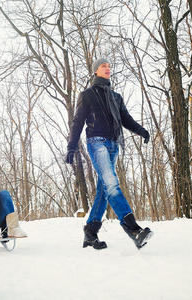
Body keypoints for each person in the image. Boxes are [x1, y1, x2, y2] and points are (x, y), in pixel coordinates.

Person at [65, 58, 153, 250]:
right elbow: (78, 122)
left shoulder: (116, 97)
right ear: (96, 71)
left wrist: (142, 131)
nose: (108, 68)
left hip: (114, 145)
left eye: (109, 66)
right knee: (112, 184)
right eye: (104, 66)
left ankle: (90, 231)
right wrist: (71, 147)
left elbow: (126, 120)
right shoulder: (87, 95)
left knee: (104, 190)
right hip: (97, 143)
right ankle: (133, 229)